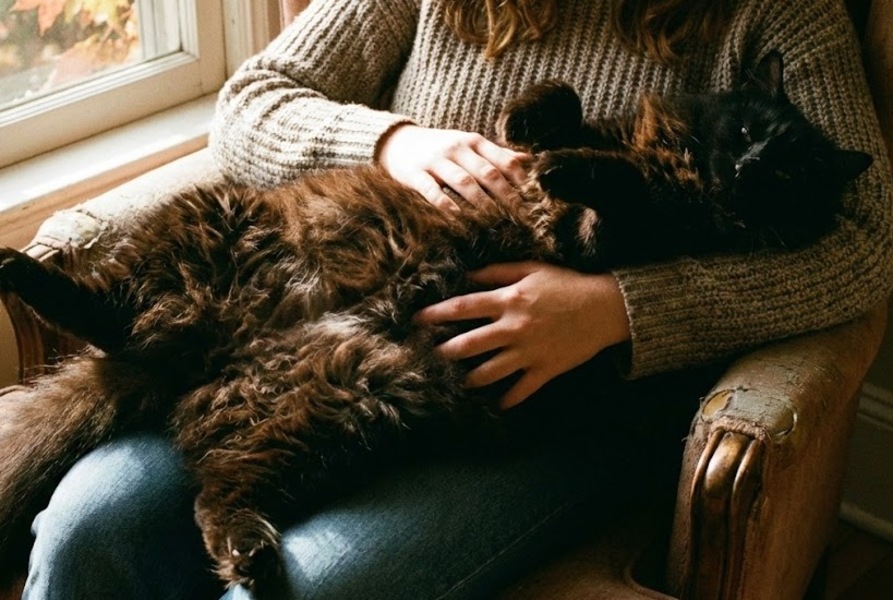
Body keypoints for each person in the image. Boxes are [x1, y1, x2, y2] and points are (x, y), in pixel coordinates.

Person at [21, 0, 893, 598]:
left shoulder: (777, 14)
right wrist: (391, 142)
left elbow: (866, 245)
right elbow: (251, 102)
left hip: (543, 411)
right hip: (318, 329)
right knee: (89, 526)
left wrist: (620, 310)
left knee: (307, 584)